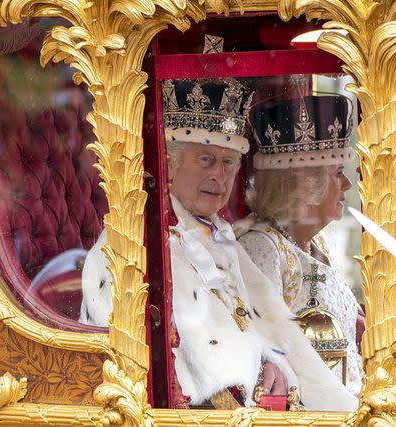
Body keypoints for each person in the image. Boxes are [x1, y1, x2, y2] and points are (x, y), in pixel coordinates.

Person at [81, 78, 357, 411]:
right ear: (170, 164)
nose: (220, 176)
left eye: (228, 163)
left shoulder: (221, 237)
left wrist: (275, 366)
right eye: (206, 160)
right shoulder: (133, 244)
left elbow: (263, 334)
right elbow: (165, 382)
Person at [235, 94, 364, 395]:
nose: (346, 183)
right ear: (305, 183)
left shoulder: (316, 243)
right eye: (336, 173)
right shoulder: (262, 248)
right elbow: (266, 356)